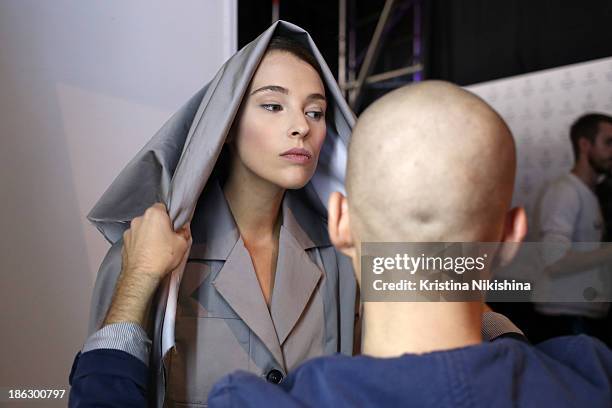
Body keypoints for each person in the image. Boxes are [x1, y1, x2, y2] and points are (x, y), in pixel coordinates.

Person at [68, 22, 523, 406]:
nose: (301, 125)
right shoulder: (146, 261)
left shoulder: (344, 255)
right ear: (224, 127)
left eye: (316, 111)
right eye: (272, 104)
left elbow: (436, 297)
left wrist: (509, 343)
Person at [205, 81, 612, 407]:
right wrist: (491, 321)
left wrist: (137, 303)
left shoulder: (248, 399)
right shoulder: (592, 376)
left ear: (341, 223)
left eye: (314, 112)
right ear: (512, 237)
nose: (299, 125)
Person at [532, 113, 612, 345]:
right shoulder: (565, 192)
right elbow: (554, 260)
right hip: (566, 318)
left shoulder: (589, 193)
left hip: (582, 316)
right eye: (608, 143)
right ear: (585, 145)